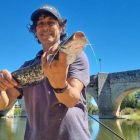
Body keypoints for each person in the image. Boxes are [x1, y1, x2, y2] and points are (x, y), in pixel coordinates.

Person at [0, 4, 92, 140]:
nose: (45, 27)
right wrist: (1, 88)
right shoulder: (27, 66)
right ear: (36, 30)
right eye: (40, 23)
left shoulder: (76, 57)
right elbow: (4, 103)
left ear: (61, 28)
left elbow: (71, 100)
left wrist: (59, 82)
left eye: (51, 22)